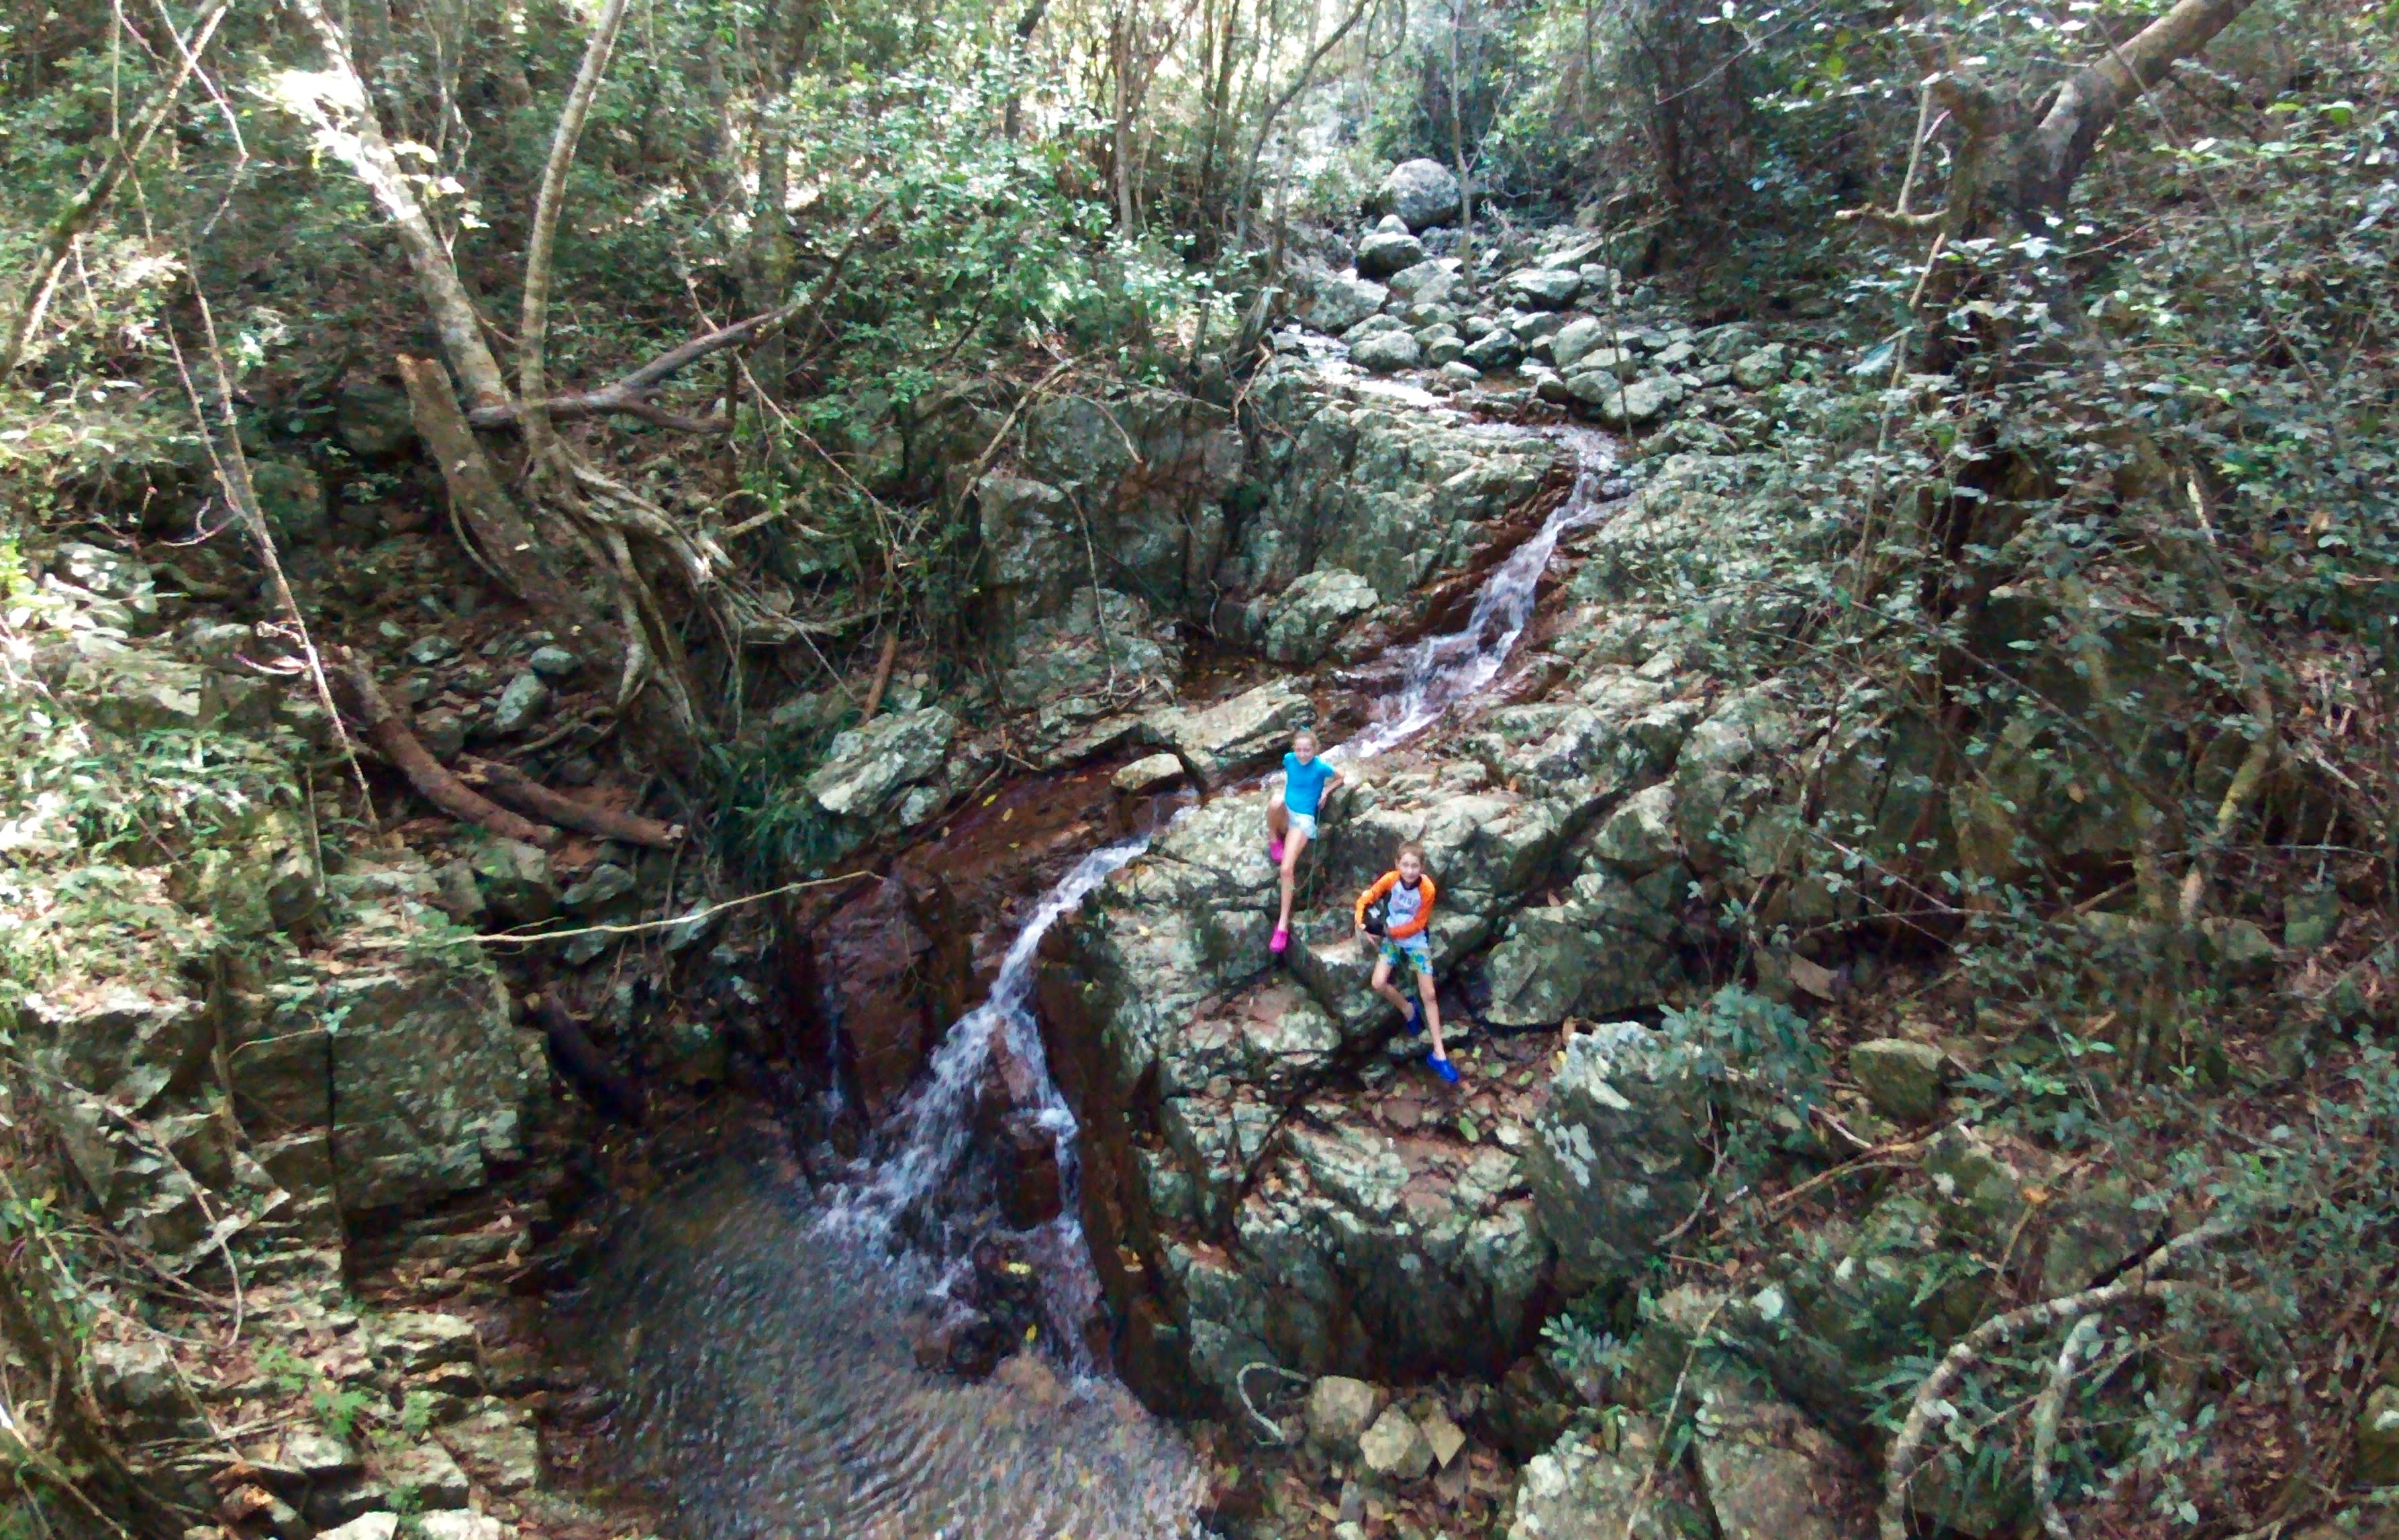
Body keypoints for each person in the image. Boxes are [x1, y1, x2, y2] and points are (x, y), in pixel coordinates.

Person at [1355, 843, 1456, 1084]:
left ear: (1422, 867)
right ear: (1397, 864)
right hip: (1391, 938)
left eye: (1415, 866)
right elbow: (1366, 899)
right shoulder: (1391, 880)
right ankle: (1408, 1009)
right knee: (1378, 982)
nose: (1410, 871)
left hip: (1414, 940)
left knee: (1429, 994)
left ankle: (1439, 1054)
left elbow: (1419, 923)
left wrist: (1392, 932)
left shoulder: (1427, 889)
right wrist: (1363, 924)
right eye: (1405, 865)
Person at [1267, 729, 1338, 956]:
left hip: (1303, 820)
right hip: (1288, 812)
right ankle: (1273, 837)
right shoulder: (1289, 760)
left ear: (1315, 750)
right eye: (1299, 750)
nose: (1302, 754)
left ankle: (1282, 925)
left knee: (1287, 869)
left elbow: (1342, 776)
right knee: (1276, 800)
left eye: (1307, 750)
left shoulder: (1320, 767)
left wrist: (1327, 790)